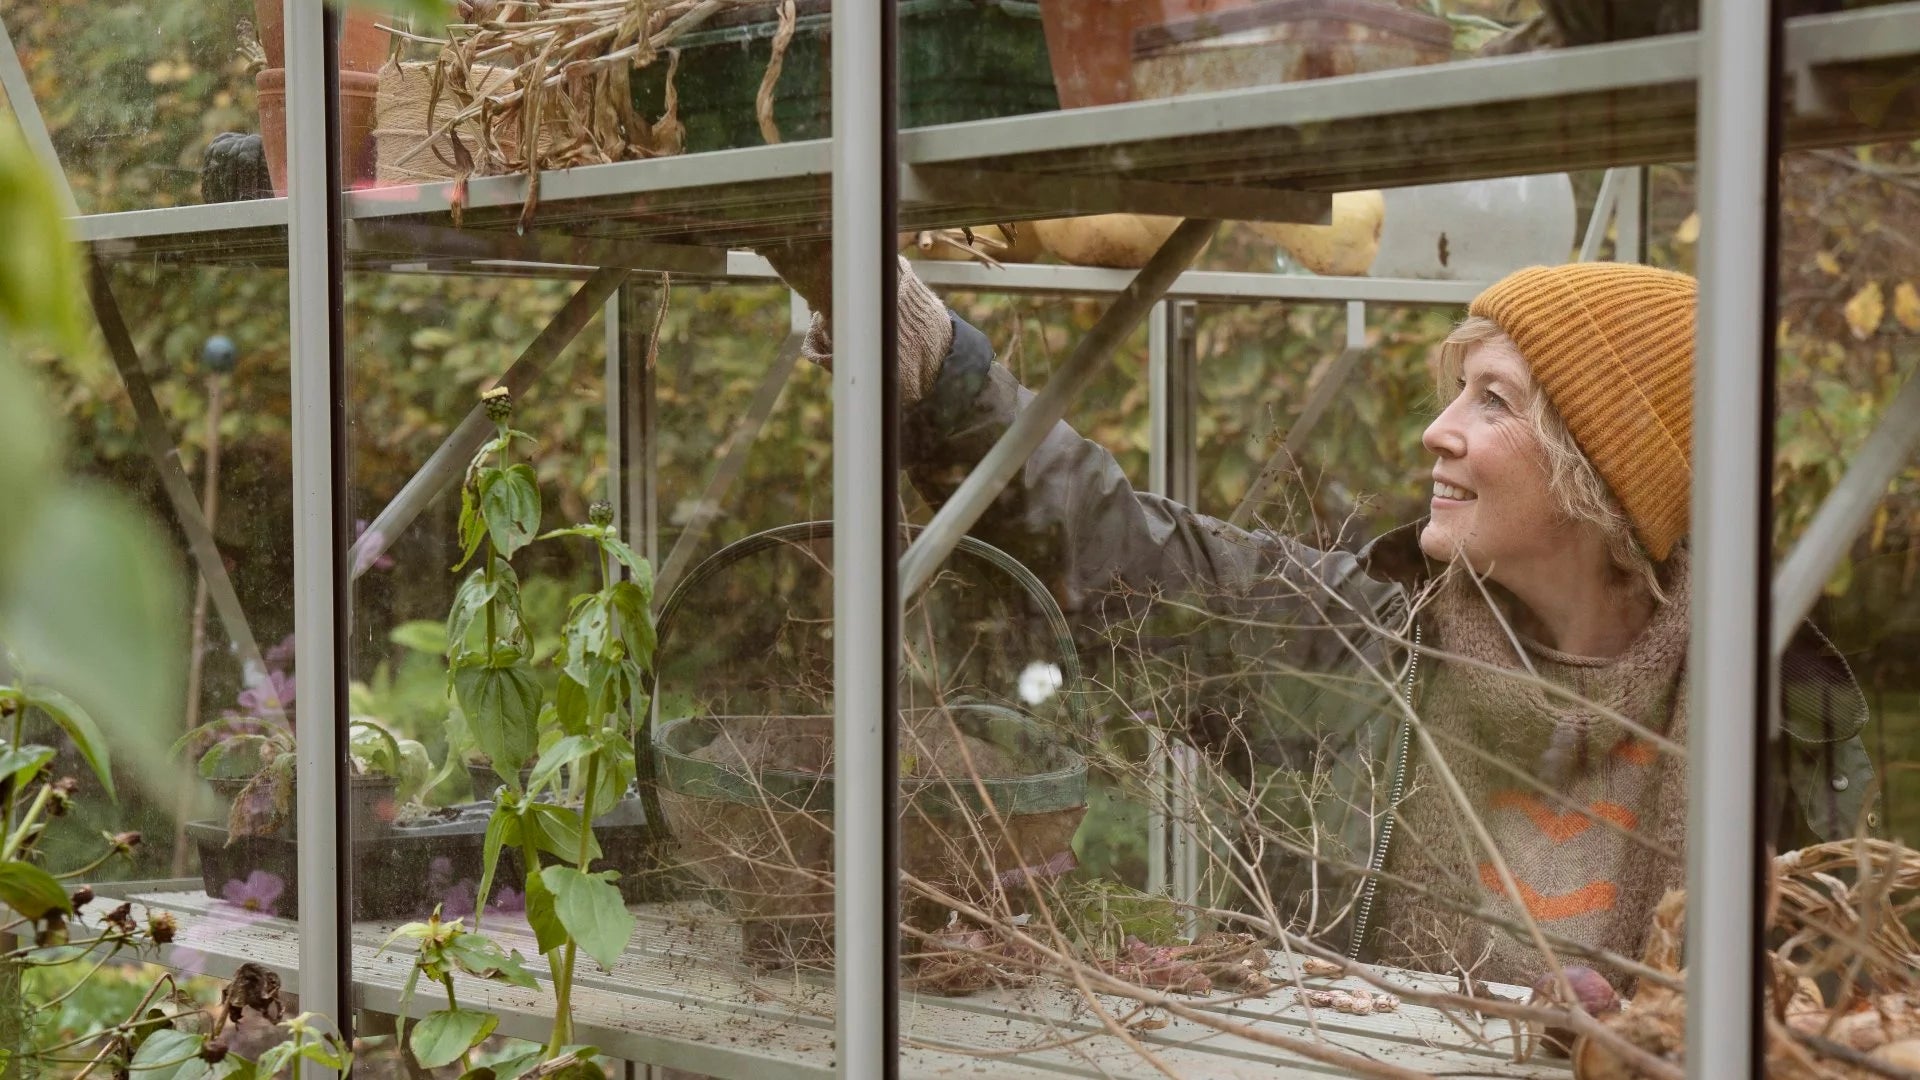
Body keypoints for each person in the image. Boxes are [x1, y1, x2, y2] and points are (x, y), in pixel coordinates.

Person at [768, 250, 1876, 987]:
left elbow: (1821, 1013)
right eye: (1456, 390)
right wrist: (930, 360)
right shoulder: (1355, 646)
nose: (1437, 431)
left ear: (1603, 473)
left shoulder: (1772, 728)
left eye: (1494, 400)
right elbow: (1113, 557)